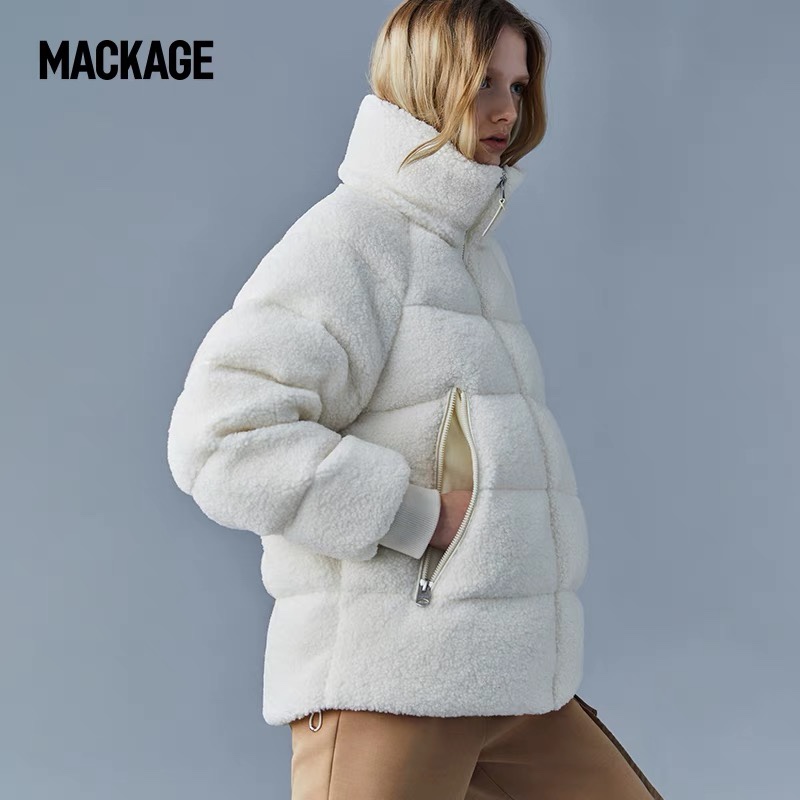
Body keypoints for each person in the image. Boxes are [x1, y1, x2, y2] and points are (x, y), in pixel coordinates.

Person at [166, 0, 663, 797]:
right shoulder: (356, 238)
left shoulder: (469, 254)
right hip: (389, 688)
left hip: (510, 682)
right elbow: (218, 437)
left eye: (518, 86)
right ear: (428, 82)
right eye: (483, 83)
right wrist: (416, 518)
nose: (506, 110)